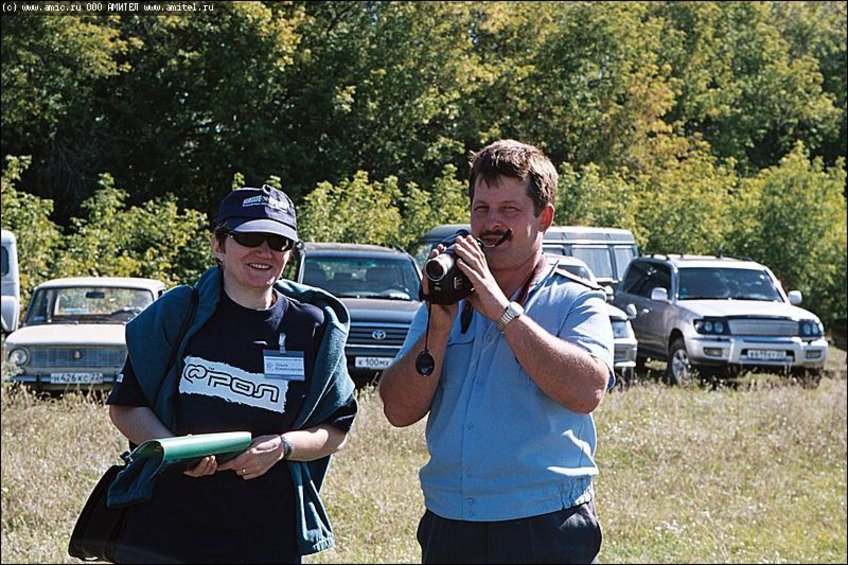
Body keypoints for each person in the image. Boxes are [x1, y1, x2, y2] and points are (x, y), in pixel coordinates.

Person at [379, 140, 615, 564]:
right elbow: (397, 410)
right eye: (481, 209)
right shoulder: (447, 295)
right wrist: (438, 327)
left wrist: (503, 312)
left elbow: (587, 392)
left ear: (544, 218)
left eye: (509, 210)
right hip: (451, 520)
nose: (491, 224)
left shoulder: (574, 298)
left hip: (544, 521)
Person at [106, 184, 357, 564]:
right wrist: (175, 452)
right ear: (218, 245)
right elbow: (126, 407)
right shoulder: (178, 312)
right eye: (249, 238)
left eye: (279, 242)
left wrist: (283, 446)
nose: (264, 252)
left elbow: (335, 431)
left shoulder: (314, 327)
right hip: (163, 530)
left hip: (267, 536)